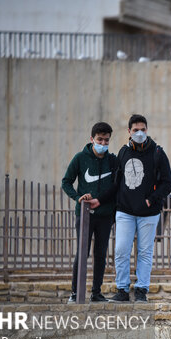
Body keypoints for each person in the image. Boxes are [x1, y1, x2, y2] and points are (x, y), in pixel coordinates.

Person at [109, 114, 171, 302]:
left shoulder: (157, 152)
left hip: (149, 213)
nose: (139, 133)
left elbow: (167, 183)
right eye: (135, 130)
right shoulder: (123, 152)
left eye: (142, 130)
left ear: (147, 130)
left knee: (145, 253)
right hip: (125, 211)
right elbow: (116, 181)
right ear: (129, 131)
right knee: (121, 250)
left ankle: (141, 291)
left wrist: (151, 199)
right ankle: (122, 290)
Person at [61, 122, 117, 303]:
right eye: (100, 139)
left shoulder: (113, 161)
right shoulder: (80, 158)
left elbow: (116, 187)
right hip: (84, 215)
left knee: (100, 254)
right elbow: (66, 182)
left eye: (106, 140)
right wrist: (77, 197)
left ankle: (96, 293)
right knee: (82, 253)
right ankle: (75, 293)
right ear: (92, 139)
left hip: (106, 215)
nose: (103, 143)